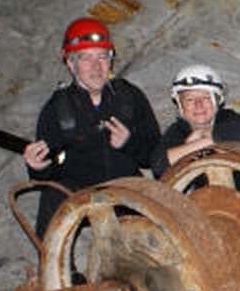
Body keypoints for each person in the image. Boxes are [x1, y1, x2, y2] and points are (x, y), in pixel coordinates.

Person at [23, 17, 161, 237]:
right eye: (86, 58)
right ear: (70, 62)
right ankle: (54, 269)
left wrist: (129, 142)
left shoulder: (130, 97)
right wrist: (38, 168)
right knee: (52, 198)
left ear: (111, 60)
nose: (97, 67)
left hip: (126, 188)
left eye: (102, 57)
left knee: (162, 222)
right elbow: (49, 174)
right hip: (80, 192)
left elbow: (154, 157)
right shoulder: (57, 109)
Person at [150, 64, 240, 205]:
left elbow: (235, 135)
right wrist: (201, 142)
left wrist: (198, 141)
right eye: (189, 100)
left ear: (217, 100)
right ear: (180, 105)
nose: (198, 105)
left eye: (205, 98)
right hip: (209, 205)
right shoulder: (177, 130)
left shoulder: (229, 118)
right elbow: (158, 164)